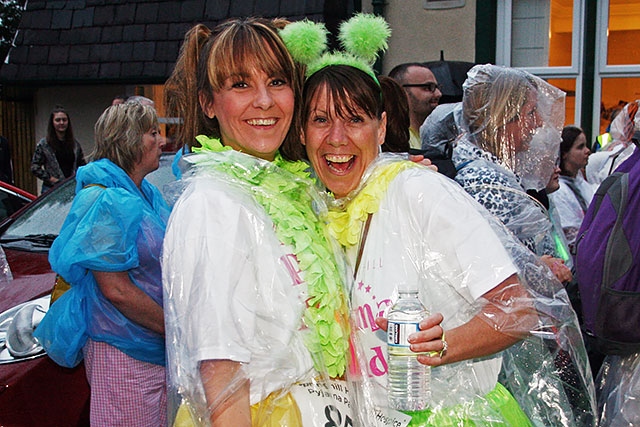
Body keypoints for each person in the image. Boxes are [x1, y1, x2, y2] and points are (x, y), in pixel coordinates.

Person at [299, 60, 596, 426]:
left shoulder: (420, 191)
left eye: (355, 119)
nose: (337, 137)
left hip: (453, 416)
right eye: (321, 120)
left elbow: (518, 310)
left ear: (381, 129)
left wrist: (440, 345)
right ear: (301, 133)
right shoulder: (315, 214)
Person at [161, 18, 351, 426]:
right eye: (240, 84)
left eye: (278, 81)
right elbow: (220, 371)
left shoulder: (291, 191)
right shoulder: (214, 205)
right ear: (208, 104)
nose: (264, 101)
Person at [33, 102, 170, 426]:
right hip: (123, 352)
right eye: (153, 133)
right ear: (130, 140)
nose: (162, 141)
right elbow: (115, 289)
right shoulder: (107, 199)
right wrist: (174, 328)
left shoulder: (144, 192)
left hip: (151, 349)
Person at [451, 64, 572, 283]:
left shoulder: (498, 173)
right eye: (531, 112)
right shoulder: (485, 183)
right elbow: (491, 272)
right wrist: (541, 269)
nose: (539, 122)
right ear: (502, 117)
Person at [548, 125, 596, 250]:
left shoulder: (581, 184)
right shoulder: (558, 190)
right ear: (564, 154)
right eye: (580, 147)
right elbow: (570, 235)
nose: (587, 151)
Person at [30, 105, 85, 193]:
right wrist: (50, 179)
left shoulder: (75, 145)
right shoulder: (44, 144)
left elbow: (82, 165)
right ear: (52, 122)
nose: (61, 123)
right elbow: (35, 167)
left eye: (64, 120)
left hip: (71, 188)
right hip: (51, 189)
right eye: (58, 120)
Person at [388, 63, 442, 149]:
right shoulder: (391, 140)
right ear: (402, 91)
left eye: (437, 87)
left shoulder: (439, 135)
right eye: (428, 87)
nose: (438, 94)